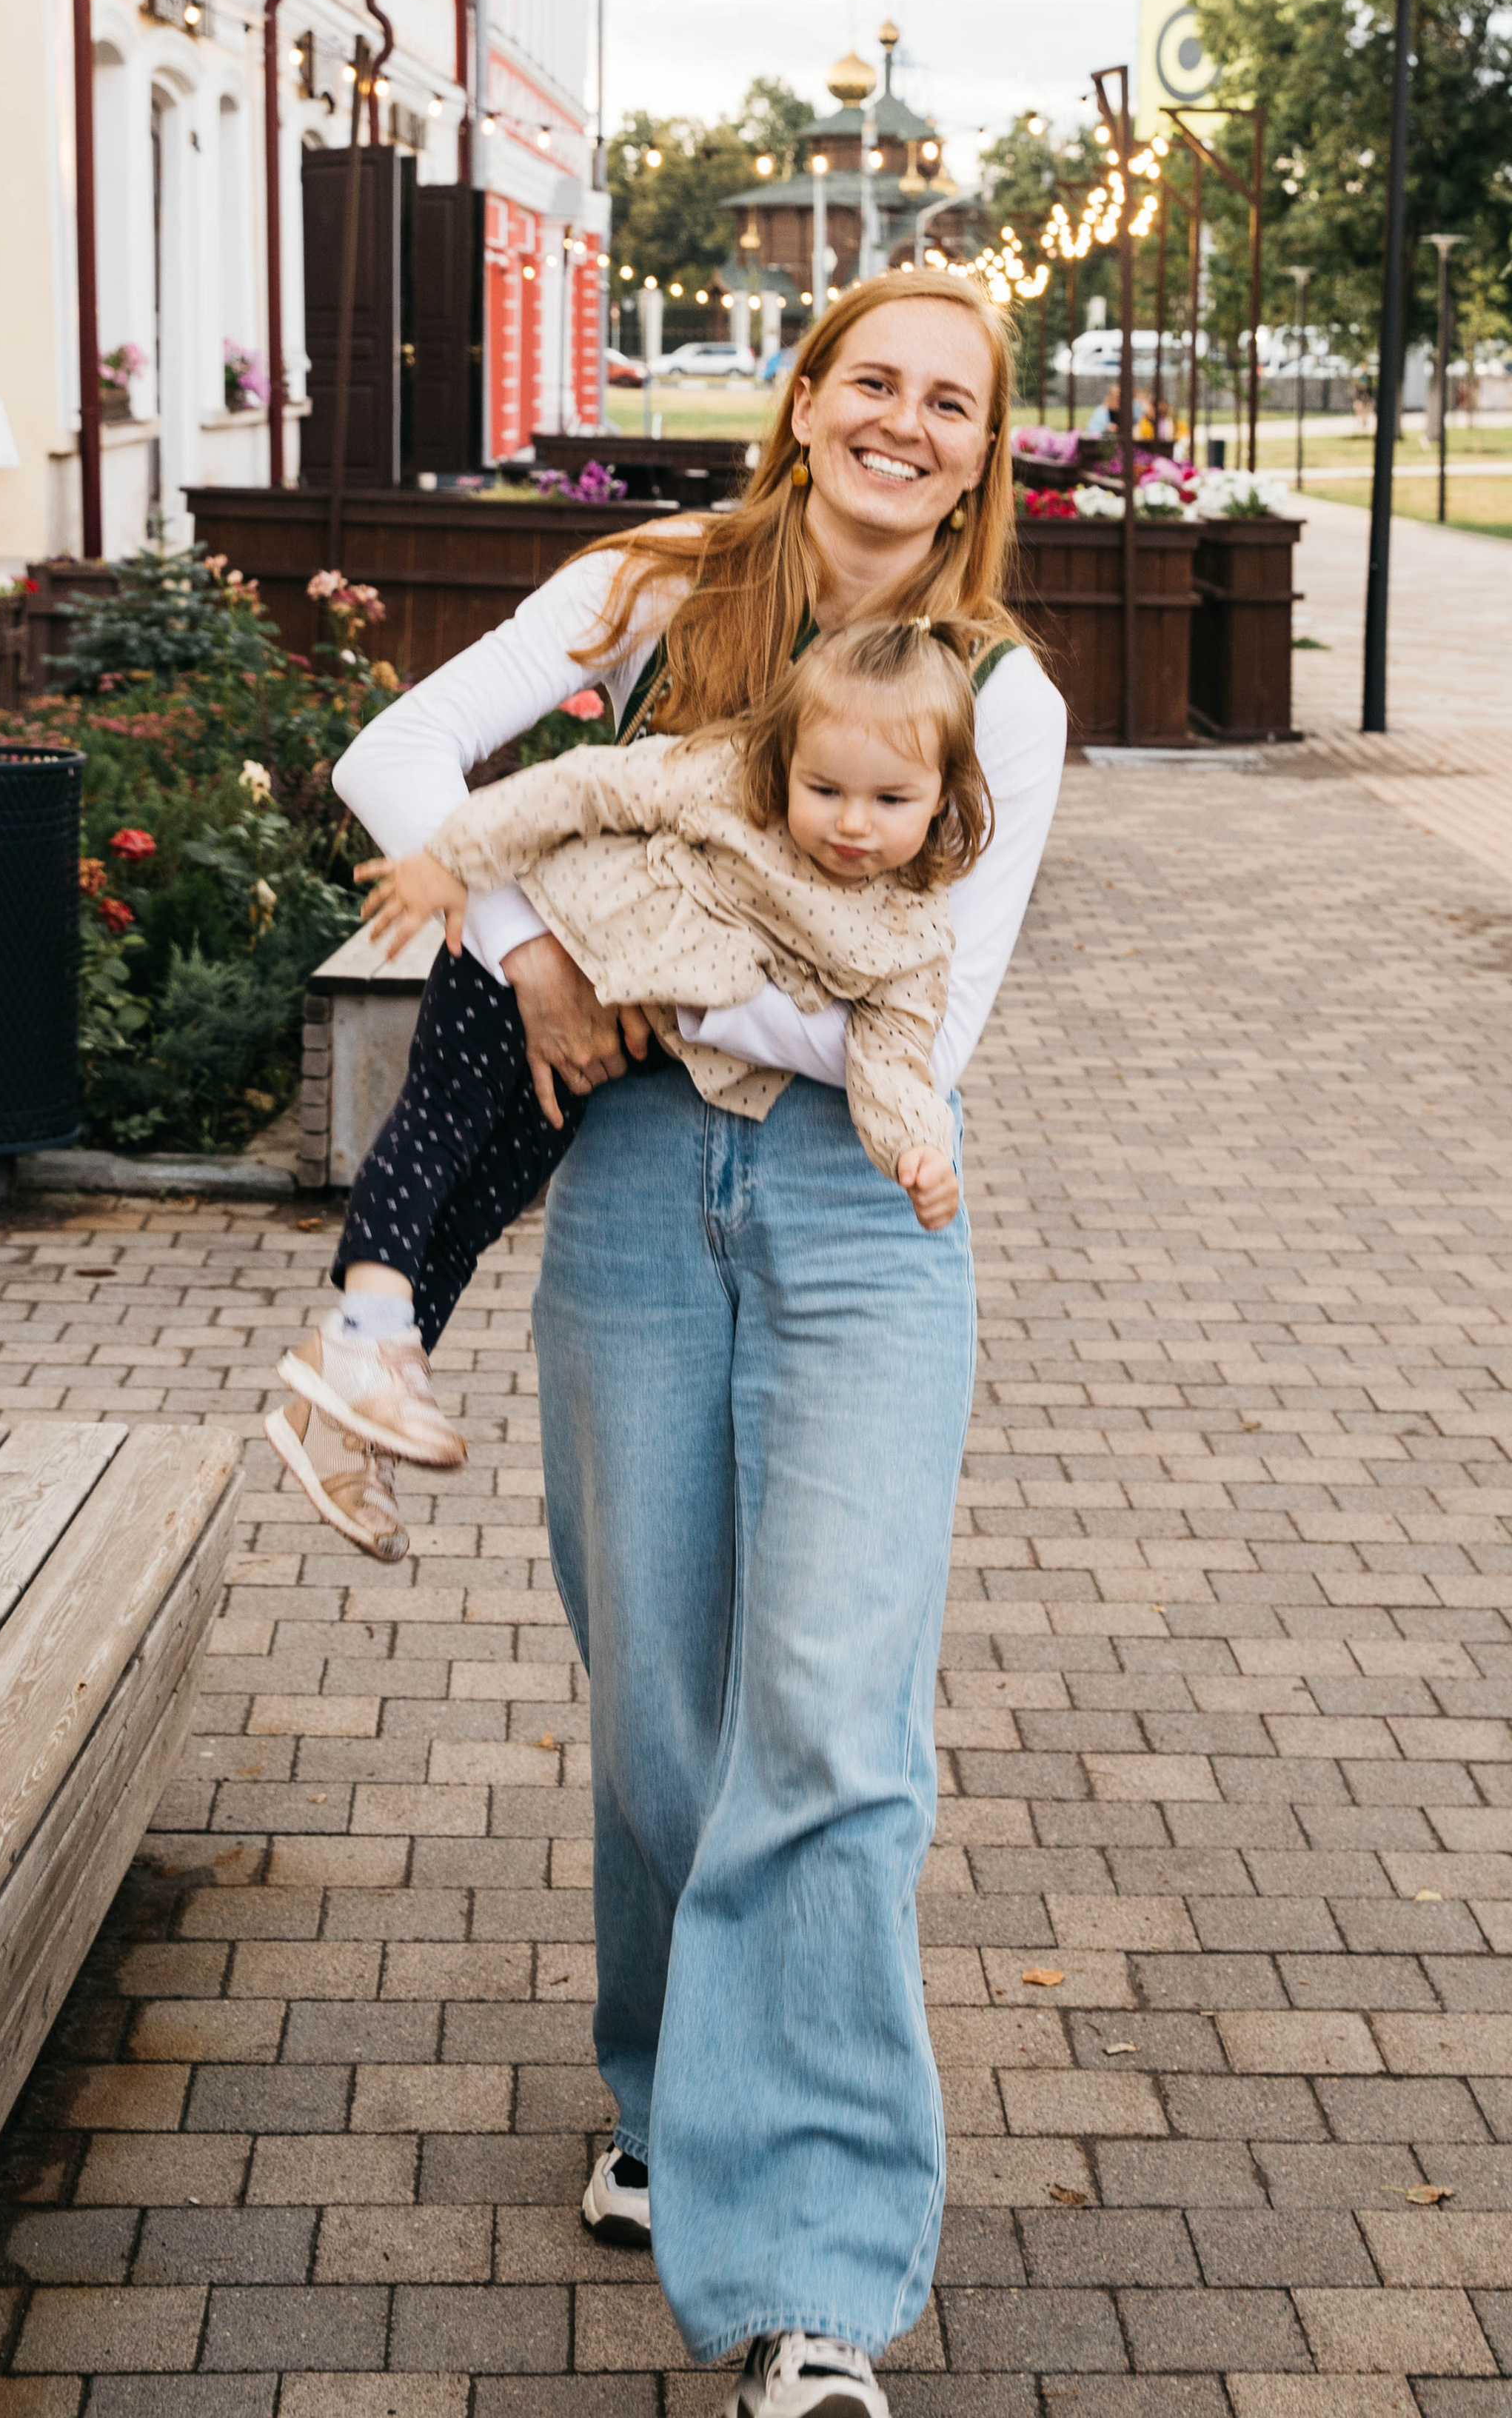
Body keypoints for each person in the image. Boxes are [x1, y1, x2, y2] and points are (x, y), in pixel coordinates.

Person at [326, 269, 1067, 2418]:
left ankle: (813, 2278)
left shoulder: (999, 698)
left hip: (858, 1218)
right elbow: (397, 760)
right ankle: (672, 2099)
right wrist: (524, 942)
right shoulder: (649, 583)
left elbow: (914, 1030)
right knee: (658, 1706)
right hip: (639, 1194)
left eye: (950, 400)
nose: (903, 422)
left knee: (828, 1733)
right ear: (805, 398)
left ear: (981, 449)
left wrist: (626, 958)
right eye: (871, 380)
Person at [275, 618, 993, 1554]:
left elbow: (894, 1052)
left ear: (944, 797)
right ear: (787, 761)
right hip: (537, 944)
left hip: (609, 1031)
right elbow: (580, 785)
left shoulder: (908, 931)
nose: (852, 824)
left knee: (483, 1200)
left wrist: (916, 1147)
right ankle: (362, 1329)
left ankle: (347, 1418)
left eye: (889, 800)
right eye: (824, 790)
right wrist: (451, 859)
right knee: (439, 1134)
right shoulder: (728, 779)